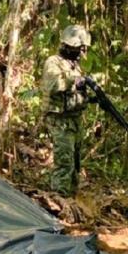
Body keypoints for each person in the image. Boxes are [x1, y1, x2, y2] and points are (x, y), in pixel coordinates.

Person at [40, 24, 92, 196]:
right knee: (64, 163)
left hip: (74, 119)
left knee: (75, 164)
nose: (81, 52)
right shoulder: (53, 62)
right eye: (78, 48)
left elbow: (76, 93)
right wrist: (74, 80)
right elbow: (53, 84)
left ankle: (71, 199)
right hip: (60, 120)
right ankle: (58, 201)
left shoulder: (74, 65)